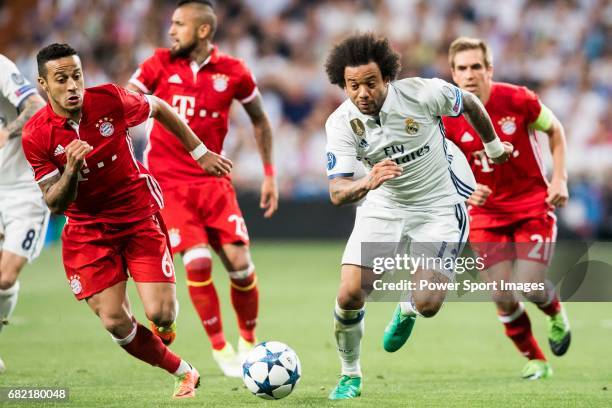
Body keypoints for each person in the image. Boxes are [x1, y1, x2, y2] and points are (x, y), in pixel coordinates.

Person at [22, 43, 232, 399]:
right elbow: (55, 203)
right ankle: (185, 372)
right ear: (44, 84)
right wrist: (71, 170)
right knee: (115, 322)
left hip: (137, 216)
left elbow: (160, 107)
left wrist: (199, 153)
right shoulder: (36, 135)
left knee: (161, 314)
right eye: (62, 79)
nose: (73, 86)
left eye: (77, 76)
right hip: (88, 231)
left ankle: (162, 322)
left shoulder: (110, 100)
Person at [323, 33, 512, 400]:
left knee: (428, 305)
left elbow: (470, 102)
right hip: (384, 205)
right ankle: (350, 375)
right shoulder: (340, 123)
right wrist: (369, 180)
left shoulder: (422, 93)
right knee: (349, 295)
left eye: (370, 83)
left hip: (439, 205)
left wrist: (492, 146)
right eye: (353, 86)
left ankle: (408, 307)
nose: (362, 93)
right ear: (343, 85)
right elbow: (337, 192)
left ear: (387, 78)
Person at [127, 0, 277, 377]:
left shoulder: (235, 72)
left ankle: (247, 340)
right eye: (171, 23)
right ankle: (219, 347)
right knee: (197, 261)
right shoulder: (157, 64)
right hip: (170, 184)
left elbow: (260, 119)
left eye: (179, 24)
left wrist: (270, 173)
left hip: (213, 182)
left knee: (241, 266)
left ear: (204, 30)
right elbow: (124, 99)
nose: (172, 30)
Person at [442, 37, 571, 380]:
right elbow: (443, 166)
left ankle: (555, 312)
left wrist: (559, 178)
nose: (469, 74)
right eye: (462, 68)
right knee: (501, 294)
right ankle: (537, 360)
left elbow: (555, 131)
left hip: (531, 205)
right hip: (485, 215)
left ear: (489, 70)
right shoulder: (446, 116)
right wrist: (464, 193)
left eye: (476, 67)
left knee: (530, 285)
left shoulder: (519, 99)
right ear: (453, 74)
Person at [0, 54, 47, 373]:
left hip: (22, 191)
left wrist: (8, 132)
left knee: (4, 277)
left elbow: (35, 107)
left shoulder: (1, 67)